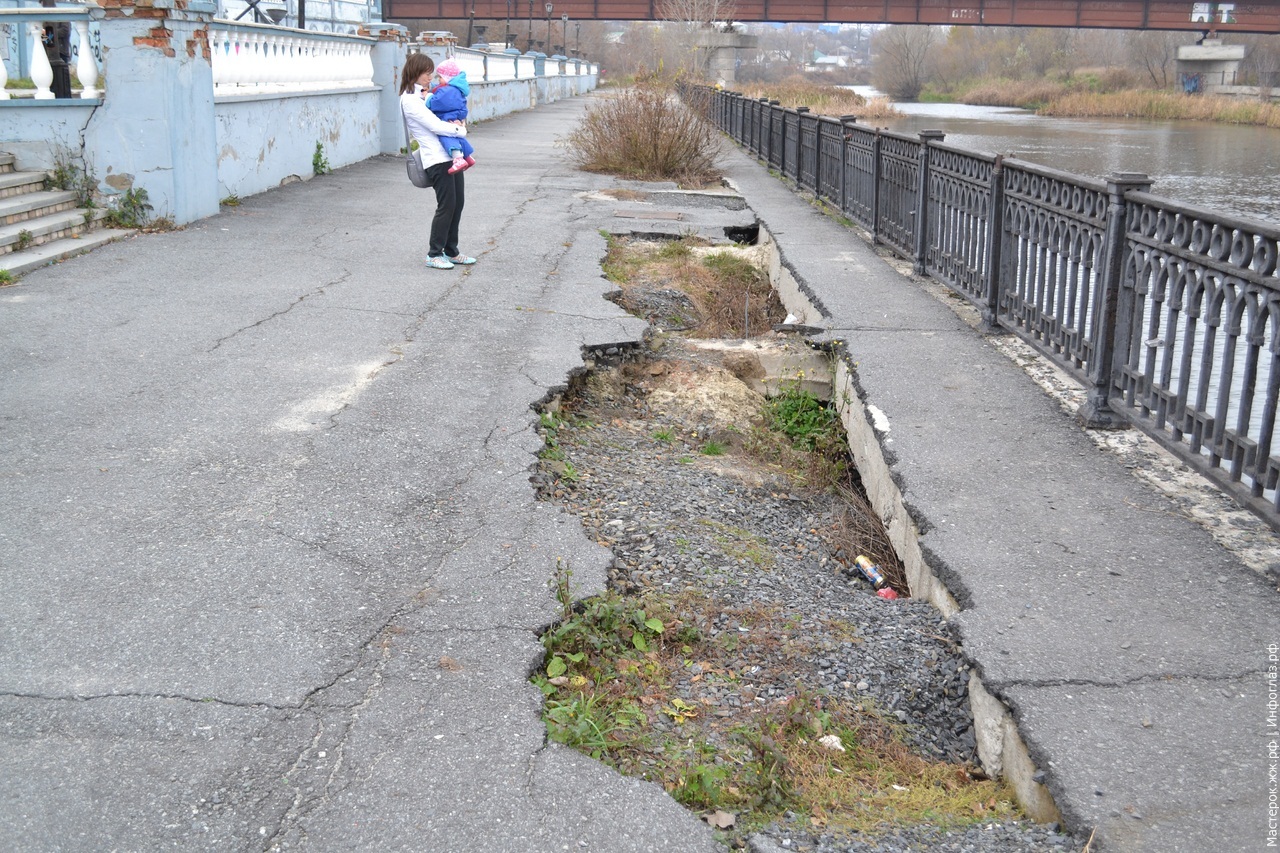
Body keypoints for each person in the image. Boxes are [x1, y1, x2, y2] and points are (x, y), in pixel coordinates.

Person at [399, 53, 476, 270]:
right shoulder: (409, 100)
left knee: (457, 203)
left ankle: (451, 251)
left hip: (449, 156)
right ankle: (434, 253)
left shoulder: (426, 95)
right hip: (435, 159)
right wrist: (460, 130)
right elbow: (435, 125)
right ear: (415, 73)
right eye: (426, 73)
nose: (430, 77)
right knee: (446, 205)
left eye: (431, 73)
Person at [424, 60, 476, 174]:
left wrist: (427, 97)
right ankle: (467, 156)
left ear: (448, 78)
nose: (438, 80)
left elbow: (437, 102)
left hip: (447, 117)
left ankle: (457, 158)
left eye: (440, 77)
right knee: (458, 138)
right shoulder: (456, 89)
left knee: (446, 136)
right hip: (455, 116)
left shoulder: (447, 91)